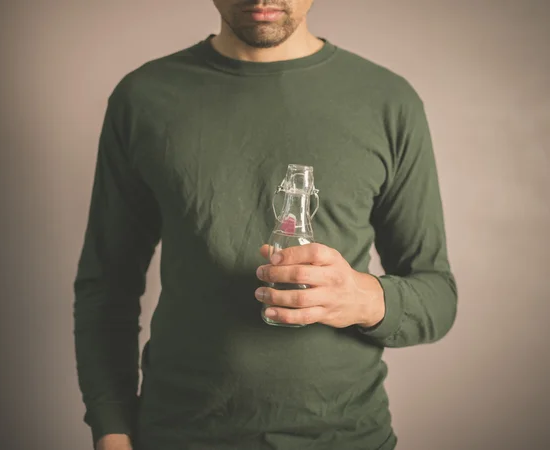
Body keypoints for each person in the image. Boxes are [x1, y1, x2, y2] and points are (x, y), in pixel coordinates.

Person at [73, 1, 458, 449]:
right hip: (181, 435)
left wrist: (364, 299)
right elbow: (107, 286)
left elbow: (437, 296)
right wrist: (111, 429)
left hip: (345, 438)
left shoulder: (389, 101)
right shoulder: (143, 97)